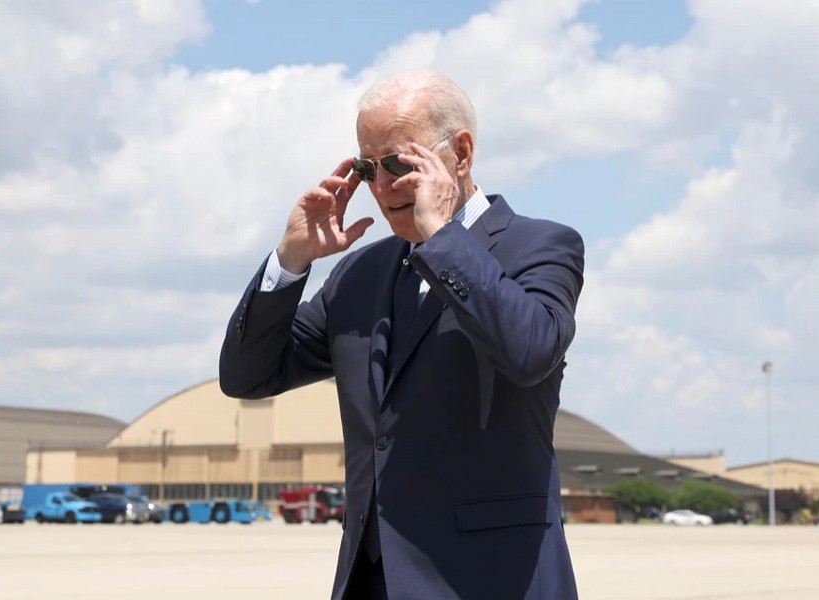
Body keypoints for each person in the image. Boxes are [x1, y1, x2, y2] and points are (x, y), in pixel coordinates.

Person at [220, 69, 584, 599]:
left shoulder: (542, 247)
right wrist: (291, 260)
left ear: (460, 154)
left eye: (398, 164)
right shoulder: (359, 275)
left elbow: (529, 351)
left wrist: (440, 238)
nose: (382, 187)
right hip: (374, 582)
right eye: (368, 168)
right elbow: (247, 376)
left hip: (491, 578)